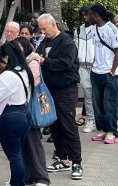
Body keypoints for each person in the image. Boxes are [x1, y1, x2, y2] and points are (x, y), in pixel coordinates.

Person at [36, 14, 83, 181]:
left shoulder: (67, 42)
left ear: (53, 24)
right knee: (54, 125)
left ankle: (76, 162)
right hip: (48, 90)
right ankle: (62, 158)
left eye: (44, 28)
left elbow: (65, 63)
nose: (42, 32)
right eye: (40, 29)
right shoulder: (44, 42)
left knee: (68, 125)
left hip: (66, 89)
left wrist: (43, 61)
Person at [0, 41, 32, 186]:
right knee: (17, 154)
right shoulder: (24, 71)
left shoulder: (9, 75)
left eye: (0, 60)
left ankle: (18, 183)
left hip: (10, 117)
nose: (0, 64)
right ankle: (14, 181)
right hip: (23, 113)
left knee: (14, 156)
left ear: (6, 58)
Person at [16, 37, 50, 186]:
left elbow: (33, 81)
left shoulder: (33, 62)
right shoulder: (20, 61)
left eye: (19, 47)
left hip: (31, 108)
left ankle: (42, 178)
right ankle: (28, 177)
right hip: (22, 108)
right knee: (24, 145)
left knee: (34, 143)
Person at [86, 4, 118, 144]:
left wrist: (112, 70)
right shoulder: (93, 29)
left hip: (108, 72)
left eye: (90, 14)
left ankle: (112, 132)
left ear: (96, 15)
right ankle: (103, 129)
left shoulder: (111, 28)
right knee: (97, 104)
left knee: (109, 104)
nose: (88, 17)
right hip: (96, 72)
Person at [72, 5, 96, 132]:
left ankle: (100, 120)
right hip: (82, 67)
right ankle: (90, 121)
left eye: (87, 14)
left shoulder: (97, 29)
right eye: (82, 14)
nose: (84, 17)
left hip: (96, 67)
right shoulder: (78, 31)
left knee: (97, 95)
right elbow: (75, 49)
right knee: (87, 95)